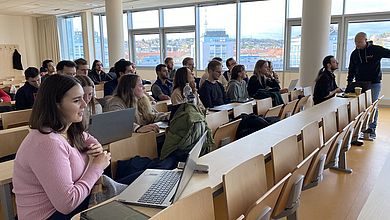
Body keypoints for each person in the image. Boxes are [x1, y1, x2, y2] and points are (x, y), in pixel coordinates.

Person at [13, 74, 111, 220]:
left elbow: (88, 138)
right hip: (50, 216)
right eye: (77, 100)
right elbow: (67, 203)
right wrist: (97, 167)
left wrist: (95, 147)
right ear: (56, 104)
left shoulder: (68, 129)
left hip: (73, 206)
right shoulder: (47, 142)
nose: (85, 104)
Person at [348, 32, 390, 138]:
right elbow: (351, 69)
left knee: (372, 105)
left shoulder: (376, 50)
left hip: (374, 83)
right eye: (356, 42)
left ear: (366, 40)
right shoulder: (354, 54)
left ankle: (371, 129)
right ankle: (360, 128)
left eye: (360, 42)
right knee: (360, 106)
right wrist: (349, 82)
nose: (357, 44)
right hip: (359, 83)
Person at [104, 74, 169, 133]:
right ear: (130, 89)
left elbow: (152, 116)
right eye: (140, 86)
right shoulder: (115, 103)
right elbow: (119, 122)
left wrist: (168, 116)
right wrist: (138, 128)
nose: (143, 88)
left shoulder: (141, 100)